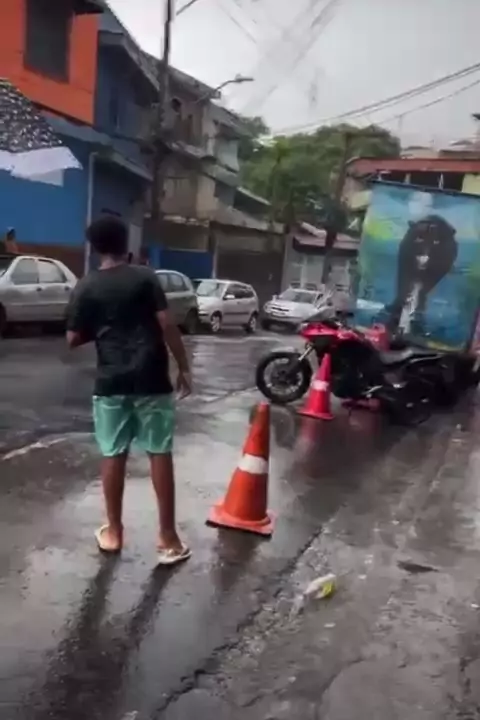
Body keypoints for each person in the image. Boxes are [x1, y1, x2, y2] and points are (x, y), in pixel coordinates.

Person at [66, 216, 192, 565]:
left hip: (111, 381)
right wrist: (183, 367)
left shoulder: (86, 286)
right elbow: (167, 324)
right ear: (127, 246)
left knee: (113, 453)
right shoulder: (146, 277)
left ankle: (114, 532)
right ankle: (168, 538)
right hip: (152, 378)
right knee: (159, 451)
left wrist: (103, 328)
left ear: (95, 248)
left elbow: (72, 338)